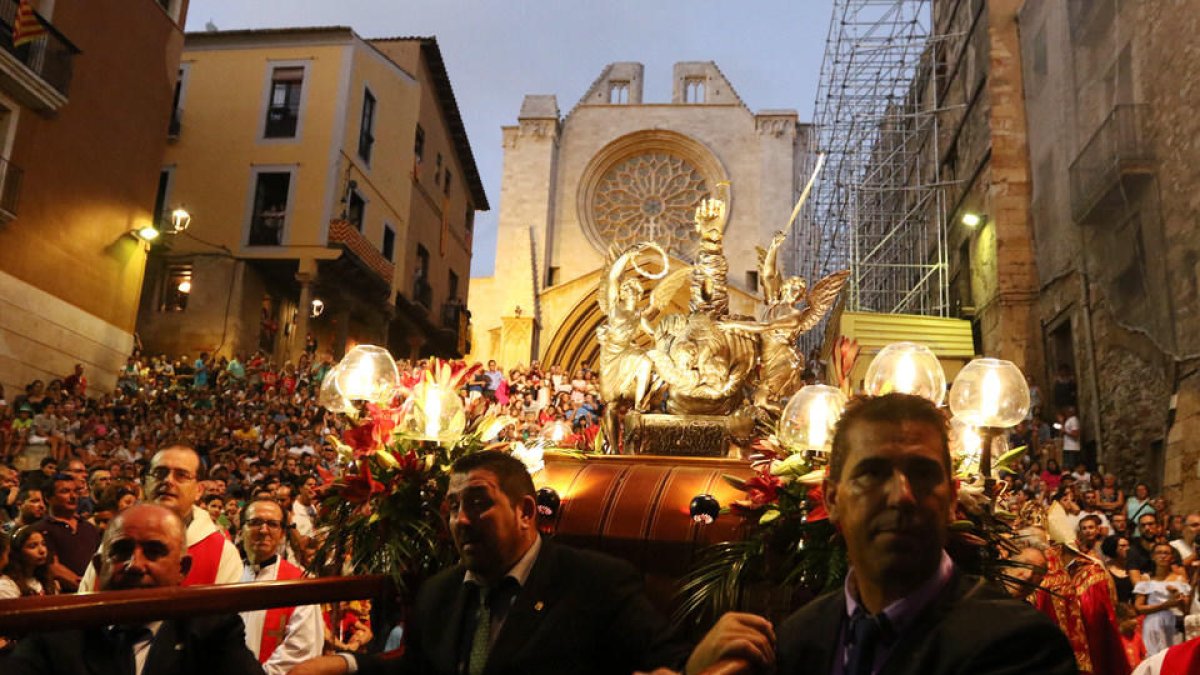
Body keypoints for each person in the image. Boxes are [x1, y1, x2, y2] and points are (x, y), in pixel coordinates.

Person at [686, 394, 1077, 675]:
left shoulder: (1019, 645)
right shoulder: (801, 638)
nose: (902, 495)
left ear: (952, 497)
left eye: (923, 474)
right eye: (872, 473)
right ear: (833, 498)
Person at [290, 450, 689, 675]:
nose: (461, 520)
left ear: (526, 512)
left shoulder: (594, 584)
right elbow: (416, 672)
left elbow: (671, 658)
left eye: (479, 503)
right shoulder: (439, 593)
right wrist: (344, 666)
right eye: (454, 506)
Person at [2, 504, 263, 675]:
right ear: (98, 565)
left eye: (154, 552)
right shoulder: (57, 633)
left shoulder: (211, 631)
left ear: (182, 569)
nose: (135, 565)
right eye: (121, 551)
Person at [79, 445, 242, 590]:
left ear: (199, 490)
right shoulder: (119, 538)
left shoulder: (222, 552)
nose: (168, 480)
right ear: (146, 483)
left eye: (181, 475)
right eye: (159, 473)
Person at [239, 499, 322, 674]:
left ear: (283, 533)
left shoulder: (299, 583)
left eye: (272, 524)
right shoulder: (229, 574)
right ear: (241, 530)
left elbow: (302, 648)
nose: (263, 530)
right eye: (255, 523)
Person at [36, 472, 101, 592]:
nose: (73, 496)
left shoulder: (89, 527)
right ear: (48, 497)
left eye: (76, 491)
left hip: (94, 592)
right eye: (65, 491)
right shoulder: (42, 529)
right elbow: (53, 567)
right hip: (66, 597)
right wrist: (86, 587)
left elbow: (100, 561)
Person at [1133, 542, 1191, 656]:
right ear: (1153, 557)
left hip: (1174, 625)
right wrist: (1164, 606)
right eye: (1159, 553)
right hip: (1152, 625)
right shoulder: (1146, 579)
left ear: (1172, 557)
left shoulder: (1180, 579)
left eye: (1166, 553)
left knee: (1174, 658)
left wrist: (1177, 594)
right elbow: (1138, 607)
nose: (1163, 556)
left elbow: (1186, 608)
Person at [0, 525, 58, 598]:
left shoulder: (46, 581)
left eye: (43, 544)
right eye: (33, 546)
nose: (42, 551)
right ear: (17, 552)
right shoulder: (7, 585)